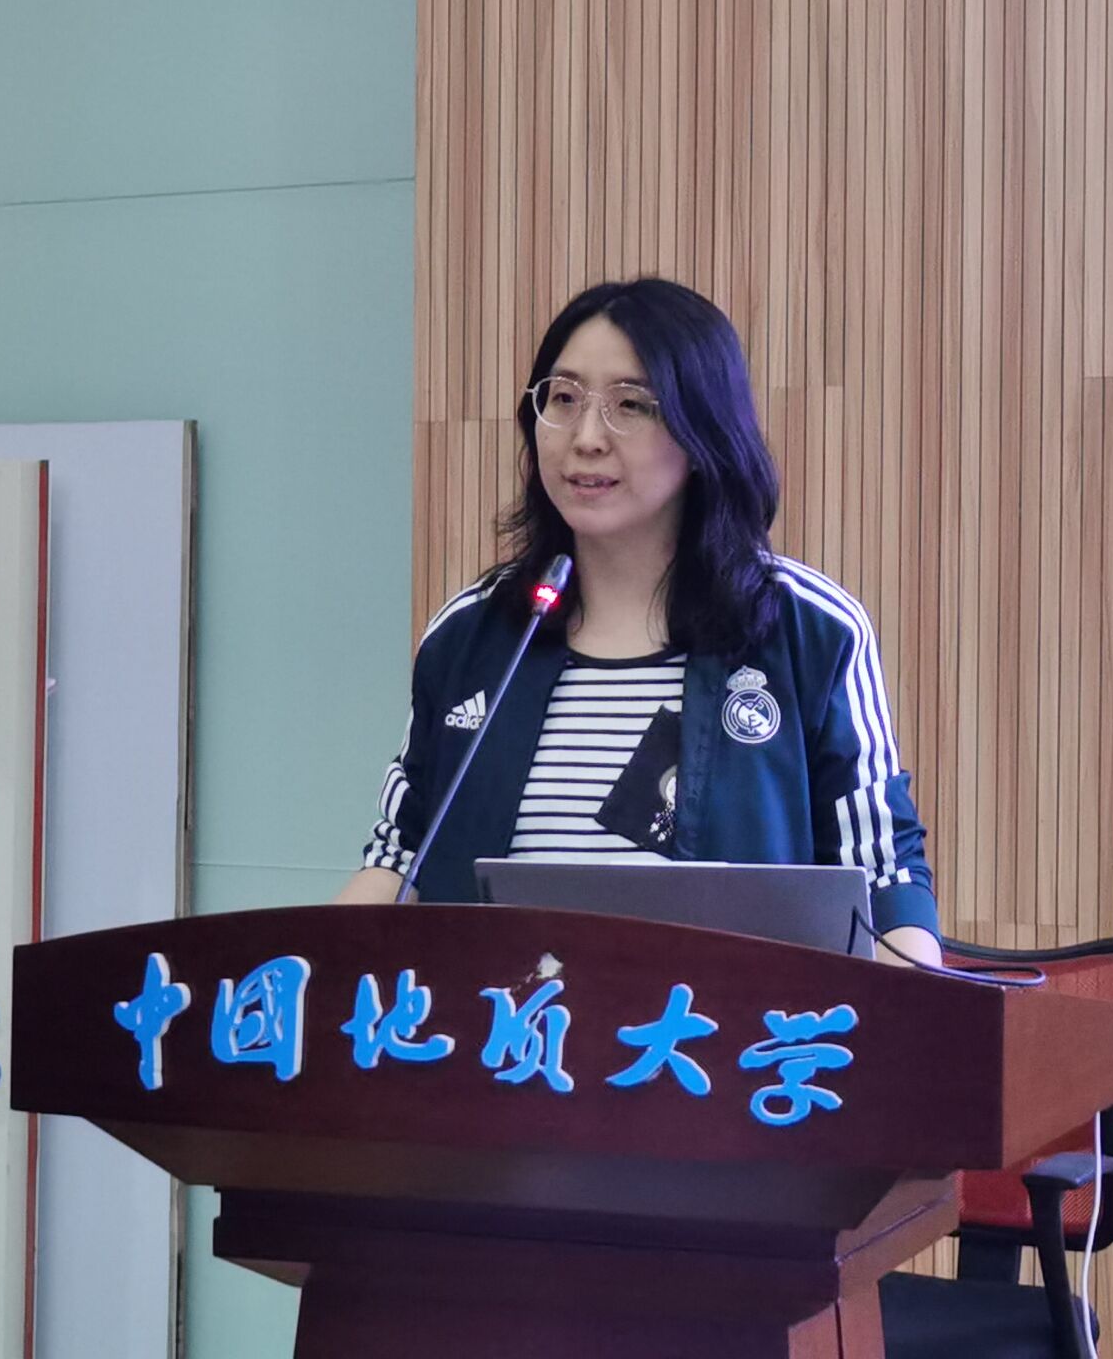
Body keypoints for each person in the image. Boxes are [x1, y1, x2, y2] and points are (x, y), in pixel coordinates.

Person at [336, 278, 942, 967]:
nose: (586, 438)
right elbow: (399, 856)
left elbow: (885, 877)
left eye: (631, 405)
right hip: (500, 1028)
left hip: (723, 1028)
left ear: (703, 431)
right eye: (563, 399)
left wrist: (918, 1021)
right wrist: (300, 981)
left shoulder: (808, 630)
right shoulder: (474, 633)